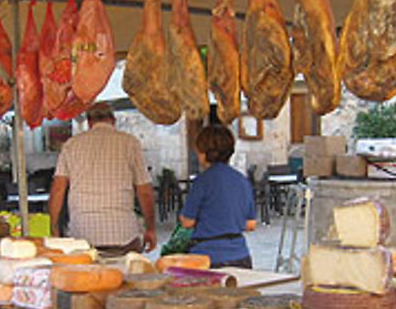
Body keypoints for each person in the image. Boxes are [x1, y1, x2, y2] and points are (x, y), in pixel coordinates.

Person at [48, 102, 156, 256]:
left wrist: (54, 228)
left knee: (88, 279)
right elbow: (144, 191)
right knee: (125, 278)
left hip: (82, 237)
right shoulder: (130, 143)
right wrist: (150, 228)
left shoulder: (71, 145)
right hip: (123, 235)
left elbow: (58, 189)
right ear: (113, 120)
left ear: (89, 122)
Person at [178, 124, 257, 269]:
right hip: (240, 256)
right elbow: (251, 224)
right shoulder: (242, 180)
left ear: (203, 152)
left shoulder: (202, 181)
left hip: (207, 258)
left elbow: (187, 222)